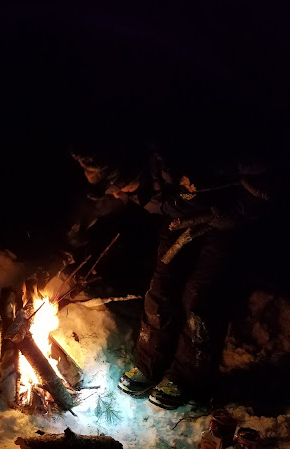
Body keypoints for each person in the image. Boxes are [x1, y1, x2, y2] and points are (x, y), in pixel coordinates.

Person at [71, 147, 270, 409]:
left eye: (117, 185)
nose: (117, 194)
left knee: (198, 297)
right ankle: (150, 364)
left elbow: (267, 175)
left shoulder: (184, 158)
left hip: (224, 224)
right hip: (180, 222)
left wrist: (237, 211)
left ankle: (188, 379)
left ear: (133, 170)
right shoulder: (142, 187)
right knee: (160, 288)